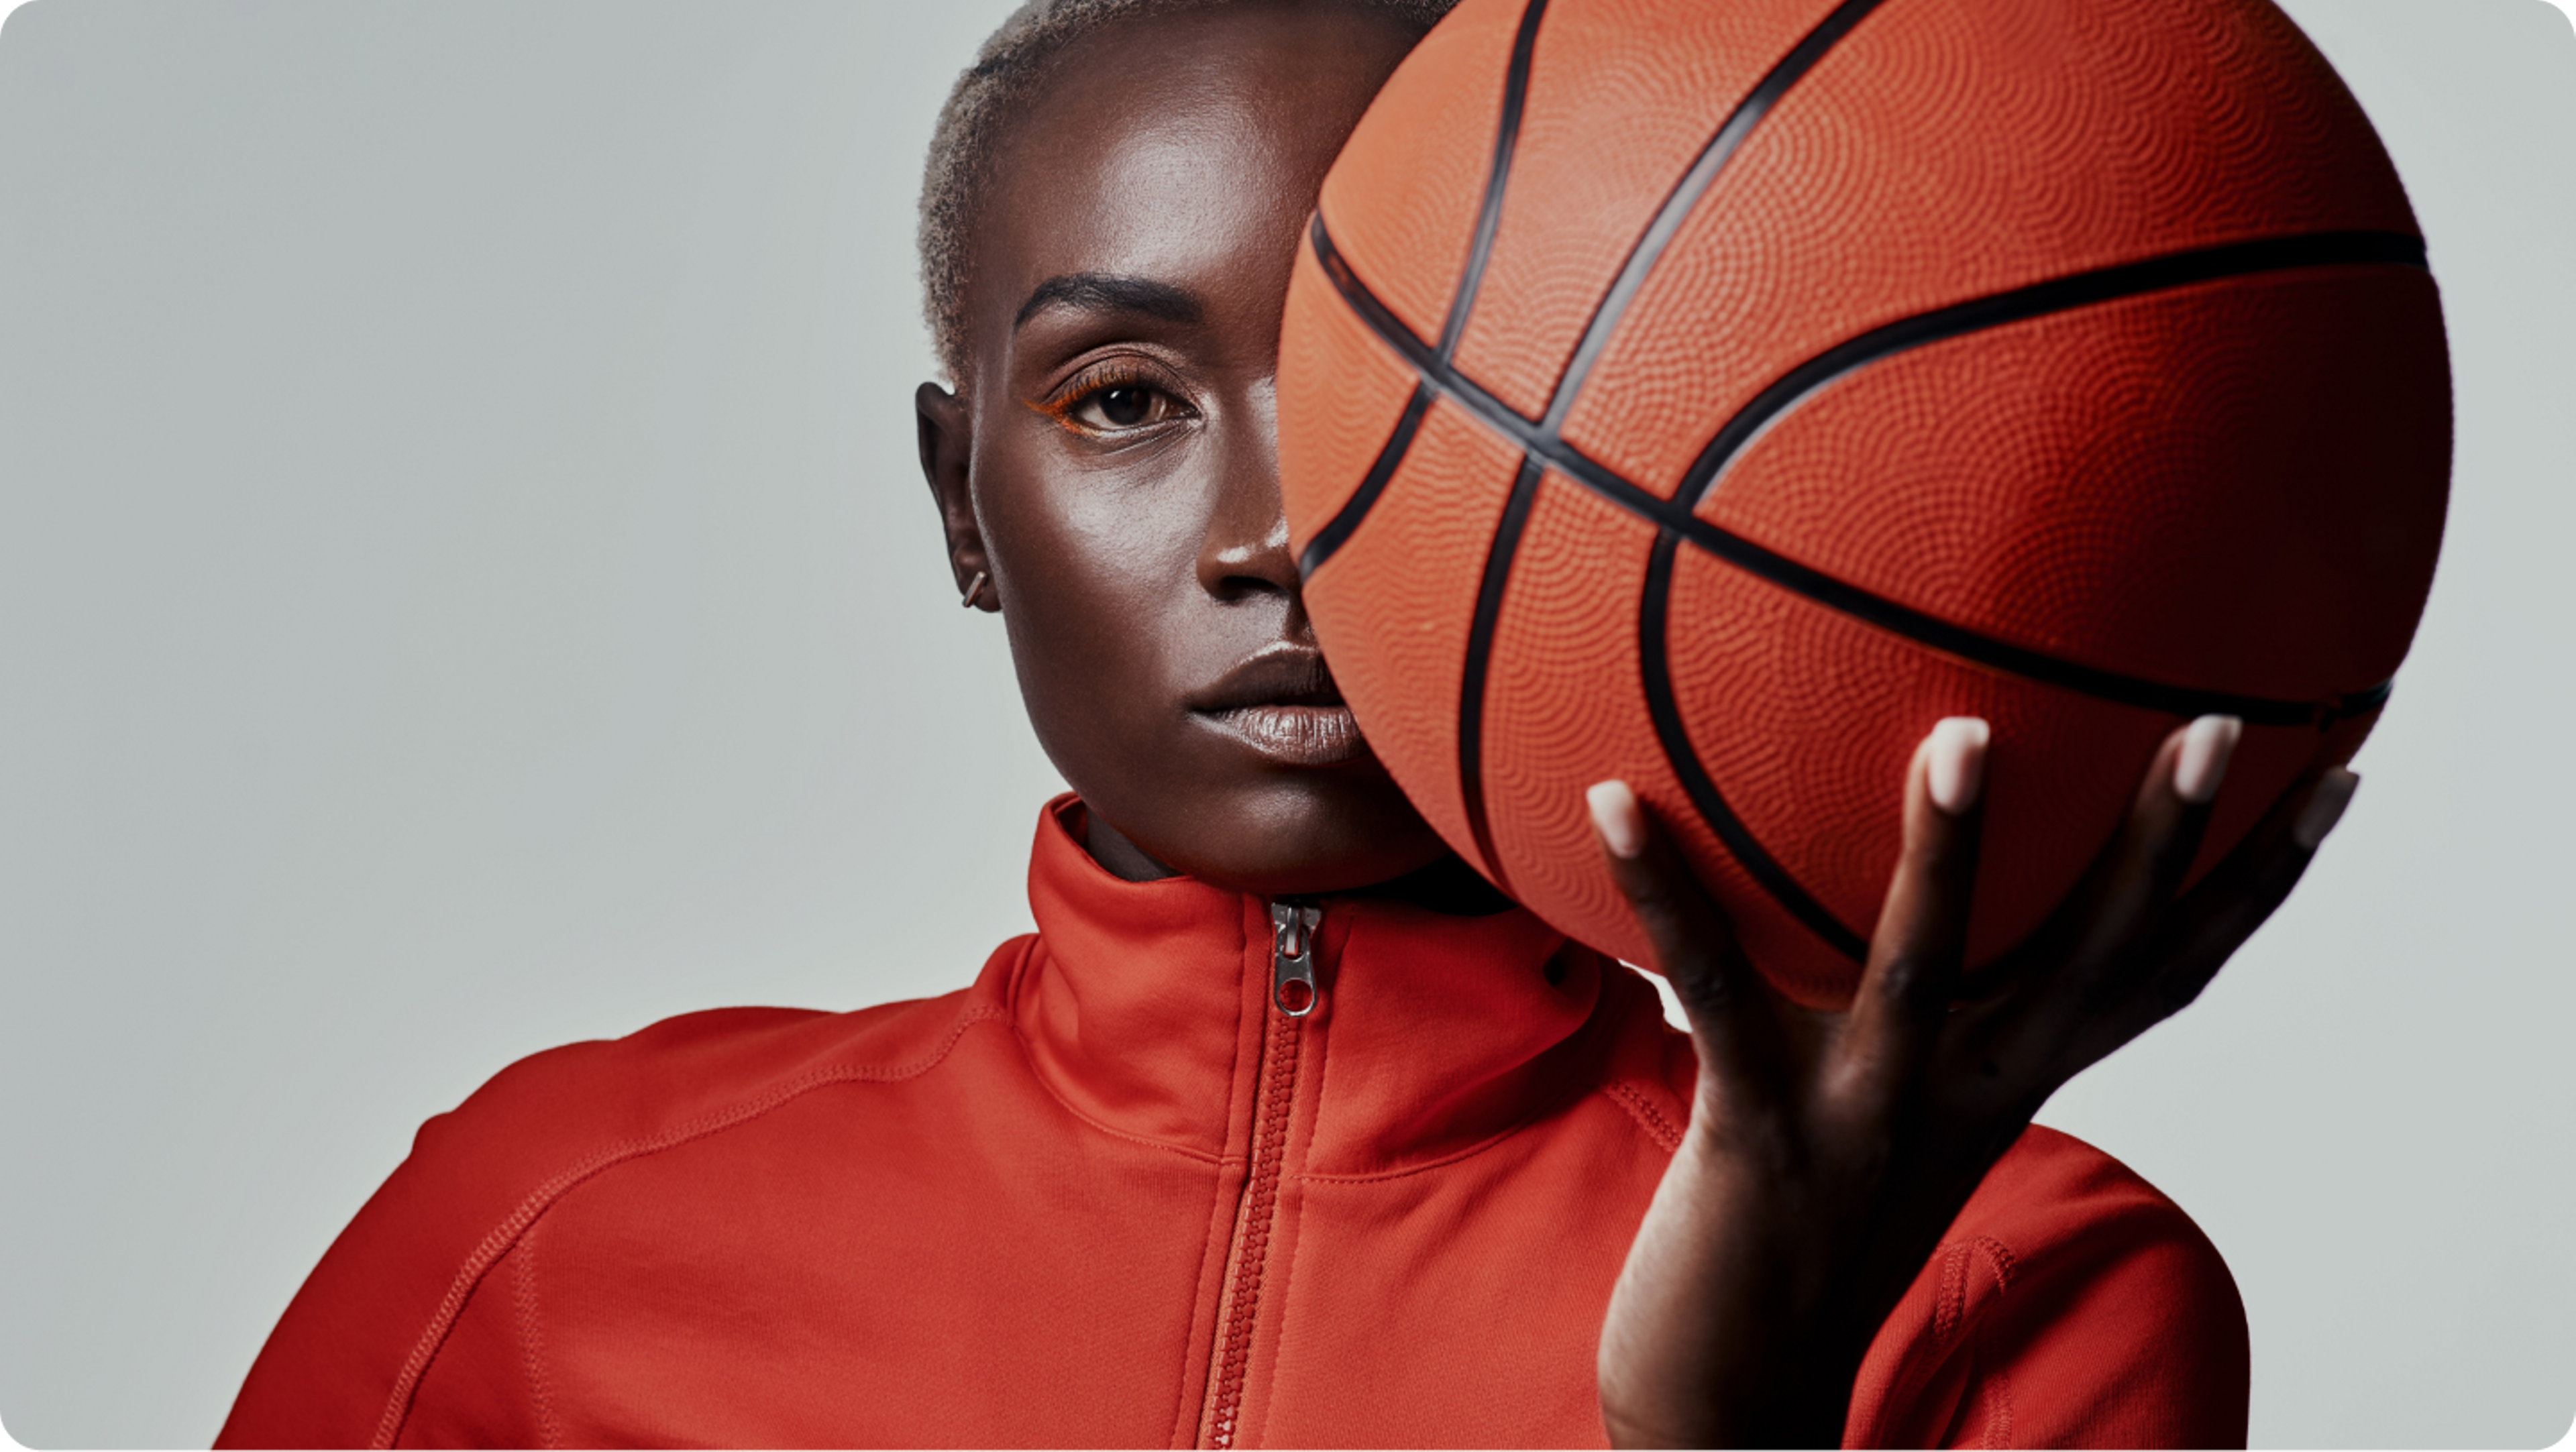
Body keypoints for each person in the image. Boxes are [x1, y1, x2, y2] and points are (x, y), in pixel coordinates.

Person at [215, 1, 2362, 1447]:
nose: (1280, 532)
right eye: (1126, 400)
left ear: (1594, 442)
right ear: (964, 502)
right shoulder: (554, 1237)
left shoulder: (2016, 1294)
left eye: (1392, 388)